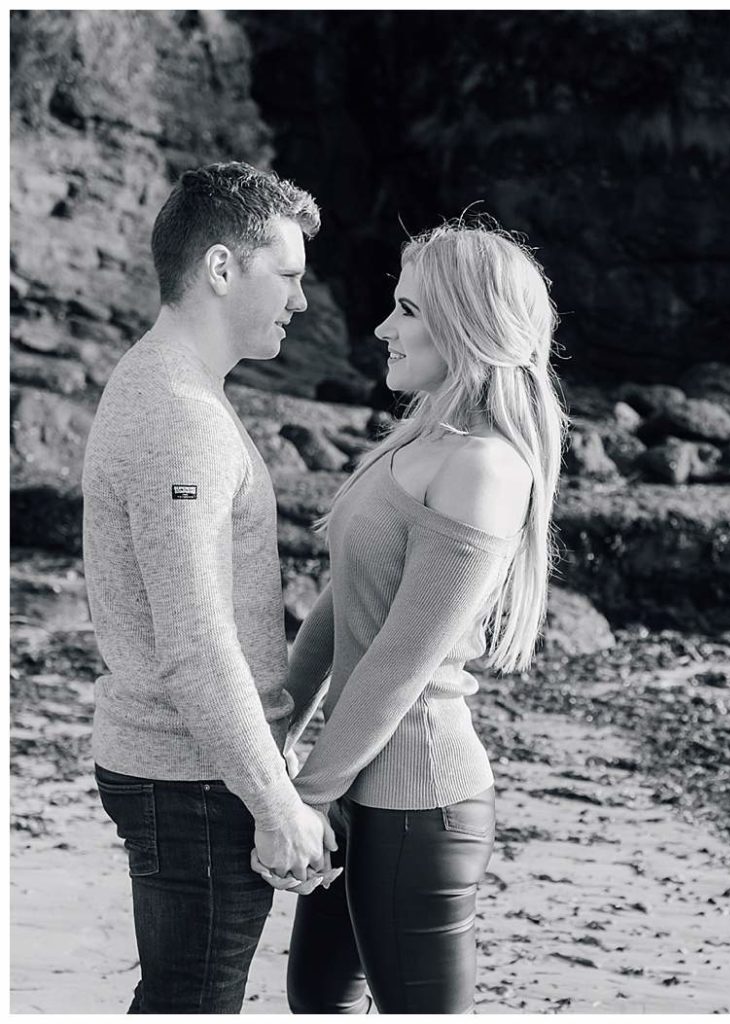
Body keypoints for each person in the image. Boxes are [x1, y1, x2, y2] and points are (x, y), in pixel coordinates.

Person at [279, 219, 568, 1014]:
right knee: (317, 1002)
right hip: (351, 783)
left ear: (467, 322)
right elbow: (335, 619)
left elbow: (400, 662)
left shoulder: (484, 468)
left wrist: (306, 795)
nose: (382, 328)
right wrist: (277, 744)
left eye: (406, 309)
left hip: (418, 803)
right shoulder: (412, 443)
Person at [82, 161, 338, 1014]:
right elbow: (195, 642)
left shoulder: (171, 389)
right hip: (191, 781)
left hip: (184, 769)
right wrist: (273, 801)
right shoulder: (179, 418)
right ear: (222, 268)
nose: (302, 303)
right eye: (290, 275)